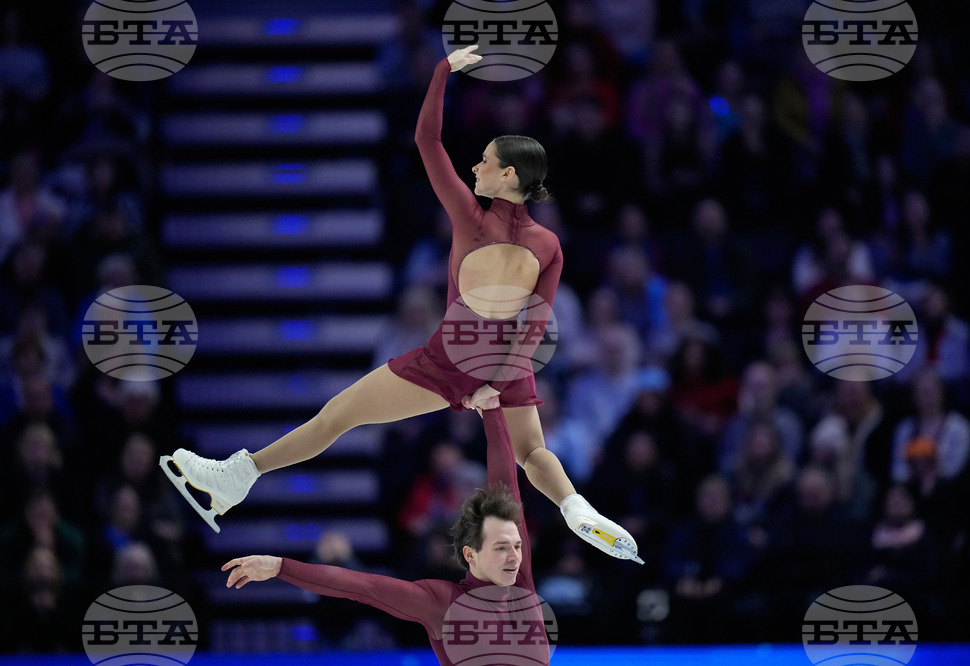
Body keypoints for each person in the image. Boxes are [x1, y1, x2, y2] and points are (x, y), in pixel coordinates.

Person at [161, 45, 641, 563]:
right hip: (507, 366)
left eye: (485, 161)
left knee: (336, 417)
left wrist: (441, 72)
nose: (476, 166)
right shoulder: (549, 244)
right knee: (532, 453)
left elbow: (426, 139)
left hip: (448, 359)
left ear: (507, 177)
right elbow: (535, 328)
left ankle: (236, 477)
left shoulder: (470, 216)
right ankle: (576, 508)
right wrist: (493, 382)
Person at [221, 402, 555, 665]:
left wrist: (492, 408)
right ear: (471, 555)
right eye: (501, 548)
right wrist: (281, 567)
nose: (515, 556)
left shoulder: (520, 580)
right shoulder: (443, 604)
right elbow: (362, 586)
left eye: (516, 546)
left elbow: (504, 482)